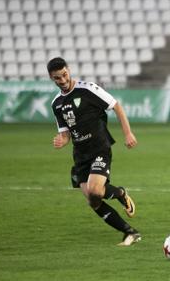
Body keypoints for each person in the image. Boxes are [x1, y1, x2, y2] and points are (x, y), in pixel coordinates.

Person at [49, 57, 142, 245]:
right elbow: (66, 133)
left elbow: (116, 106)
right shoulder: (56, 104)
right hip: (80, 155)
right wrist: (62, 140)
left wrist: (128, 133)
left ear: (69, 70)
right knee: (93, 200)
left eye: (65, 74)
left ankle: (121, 194)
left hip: (99, 147)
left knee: (95, 190)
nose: (63, 80)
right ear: (52, 78)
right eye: (58, 78)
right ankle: (130, 232)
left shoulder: (88, 89)